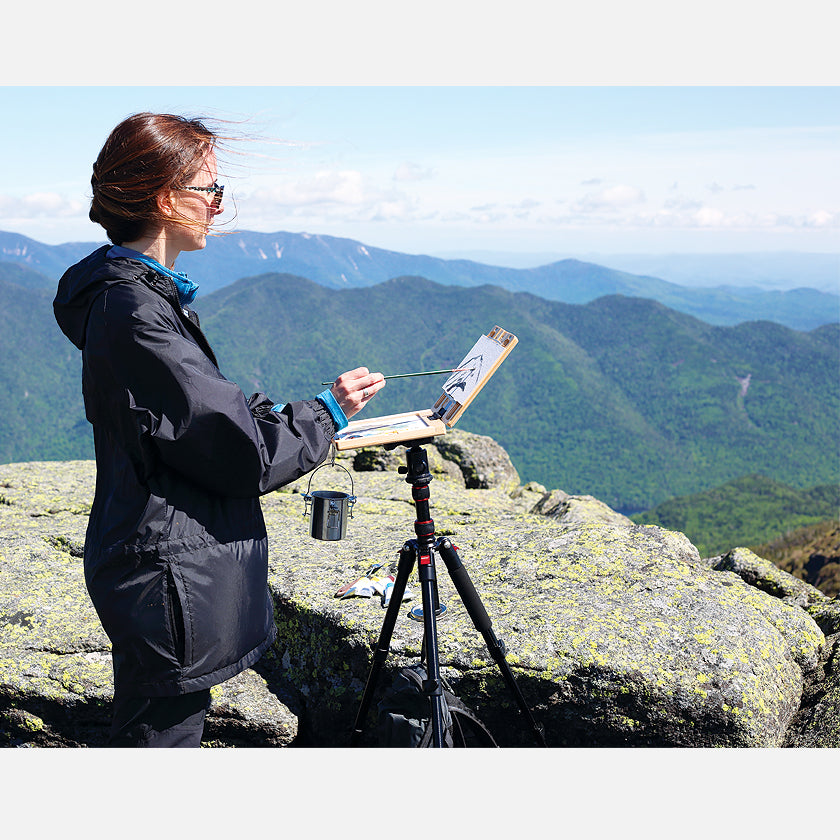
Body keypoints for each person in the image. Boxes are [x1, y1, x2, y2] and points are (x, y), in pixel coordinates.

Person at [53, 112, 385, 747]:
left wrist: (289, 410)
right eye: (209, 188)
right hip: (166, 576)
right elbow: (239, 454)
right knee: (161, 745)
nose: (218, 204)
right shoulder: (135, 312)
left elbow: (202, 410)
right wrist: (327, 414)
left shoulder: (141, 298)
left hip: (162, 566)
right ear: (163, 197)